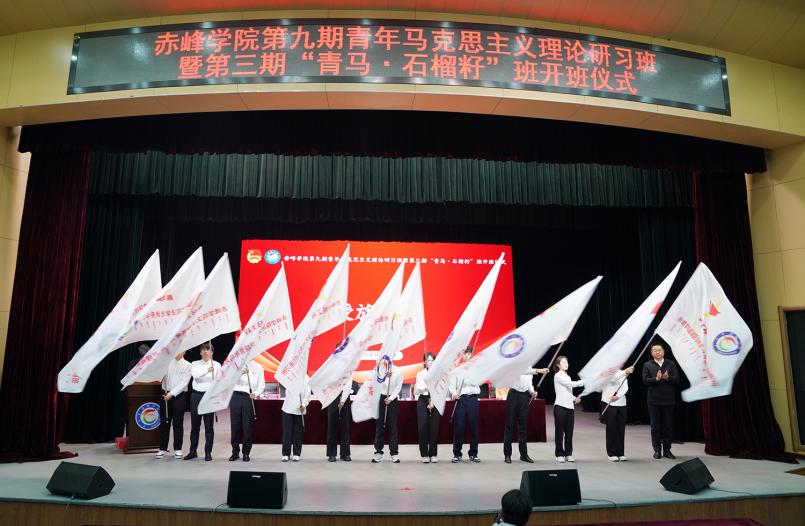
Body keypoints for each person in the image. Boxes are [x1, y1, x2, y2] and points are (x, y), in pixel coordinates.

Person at [642, 343, 680, 459]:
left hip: (668, 400)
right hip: (653, 401)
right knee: (655, 427)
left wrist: (668, 378)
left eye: (659, 350)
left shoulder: (670, 363)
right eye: (655, 350)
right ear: (651, 352)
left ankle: (667, 450)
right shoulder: (647, 364)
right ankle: (657, 450)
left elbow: (677, 379)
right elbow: (645, 381)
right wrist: (656, 379)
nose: (657, 352)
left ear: (663, 351)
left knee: (667, 426)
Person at [503, 366, 549, 464]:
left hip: (524, 397)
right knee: (509, 426)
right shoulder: (519, 365)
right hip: (513, 395)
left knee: (523, 427)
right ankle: (507, 454)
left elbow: (529, 384)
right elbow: (523, 371)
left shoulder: (530, 368)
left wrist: (532, 392)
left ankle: (523, 455)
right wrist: (538, 370)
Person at [185, 342, 221, 461]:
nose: (206, 352)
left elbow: (220, 381)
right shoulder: (194, 364)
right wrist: (207, 371)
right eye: (204, 350)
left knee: (209, 426)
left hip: (208, 397)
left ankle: (208, 452)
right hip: (196, 396)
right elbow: (195, 376)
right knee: (195, 426)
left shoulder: (217, 365)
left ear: (212, 352)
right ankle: (193, 451)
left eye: (208, 350)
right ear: (200, 352)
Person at [155, 349, 192, 459]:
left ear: (184, 352)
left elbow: (184, 383)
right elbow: (159, 377)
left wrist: (171, 394)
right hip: (165, 394)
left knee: (178, 423)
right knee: (164, 422)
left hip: (178, 396)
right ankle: (162, 448)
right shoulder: (167, 362)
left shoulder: (188, 365)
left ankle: (178, 449)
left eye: (180, 350)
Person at [229, 360, 265, 462]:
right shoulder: (235, 365)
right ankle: (235, 452)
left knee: (247, 426)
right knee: (235, 426)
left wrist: (256, 393)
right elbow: (229, 381)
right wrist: (241, 372)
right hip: (235, 396)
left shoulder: (258, 367)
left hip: (248, 397)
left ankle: (246, 452)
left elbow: (261, 385)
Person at [450, 346, 481, 463]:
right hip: (461, 400)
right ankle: (457, 453)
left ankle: (473, 453)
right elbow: (452, 386)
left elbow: (478, 382)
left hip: (473, 398)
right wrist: (454, 394)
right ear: (462, 355)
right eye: (465, 354)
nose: (467, 356)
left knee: (474, 427)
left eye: (469, 354)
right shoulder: (457, 370)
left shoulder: (476, 369)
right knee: (459, 426)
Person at [553, 355, 584, 463]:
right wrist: (583, 382)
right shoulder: (558, 376)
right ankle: (559, 454)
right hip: (560, 407)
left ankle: (568, 454)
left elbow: (567, 392)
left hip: (570, 407)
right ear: (558, 365)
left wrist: (575, 398)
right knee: (559, 432)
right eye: (563, 363)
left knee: (569, 432)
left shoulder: (567, 376)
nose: (566, 364)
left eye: (567, 362)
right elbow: (570, 384)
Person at [601, 365, 635, 461]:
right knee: (611, 428)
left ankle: (620, 453)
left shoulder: (621, 372)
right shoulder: (606, 372)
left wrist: (618, 396)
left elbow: (625, 387)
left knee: (621, 429)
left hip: (621, 403)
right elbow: (612, 380)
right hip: (609, 403)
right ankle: (611, 453)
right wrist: (625, 372)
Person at [372, 363, 403, 463]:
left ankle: (394, 453)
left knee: (393, 426)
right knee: (379, 425)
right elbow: (374, 383)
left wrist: (391, 398)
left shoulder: (398, 370)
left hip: (392, 399)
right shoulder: (378, 369)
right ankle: (378, 451)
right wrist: (385, 376)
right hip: (381, 398)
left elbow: (398, 387)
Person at [415, 352, 440, 463]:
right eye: (428, 360)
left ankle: (433, 454)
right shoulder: (420, 374)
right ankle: (424, 454)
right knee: (423, 427)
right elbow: (419, 388)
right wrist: (427, 386)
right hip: (423, 400)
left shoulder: (438, 374)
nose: (430, 362)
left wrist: (433, 403)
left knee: (434, 428)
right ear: (424, 362)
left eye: (432, 360)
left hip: (435, 400)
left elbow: (439, 389)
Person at [281, 376, 311, 462]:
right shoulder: (290, 375)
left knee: (298, 432)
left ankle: (296, 453)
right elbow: (287, 391)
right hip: (288, 408)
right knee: (287, 432)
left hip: (300, 409)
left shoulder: (306, 379)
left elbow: (307, 395)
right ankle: (286, 454)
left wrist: (304, 404)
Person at [326, 380, 355, 462]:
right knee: (332, 427)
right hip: (332, 397)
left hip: (345, 397)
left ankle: (345, 453)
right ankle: (331, 454)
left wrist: (343, 400)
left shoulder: (348, 371)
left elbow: (348, 384)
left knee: (345, 427)